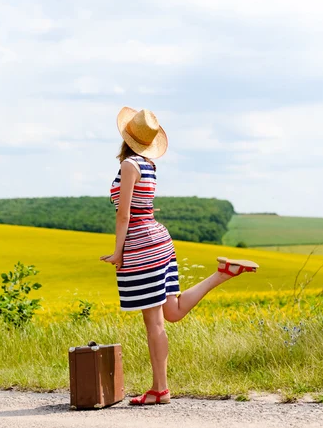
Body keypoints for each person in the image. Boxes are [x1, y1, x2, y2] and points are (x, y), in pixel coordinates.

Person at [101, 107, 258, 406]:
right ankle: (222, 274)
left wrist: (118, 253)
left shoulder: (129, 167)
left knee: (154, 323)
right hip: (160, 238)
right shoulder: (149, 165)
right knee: (170, 312)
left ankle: (160, 389)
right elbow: (141, 206)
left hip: (140, 244)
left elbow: (124, 215)